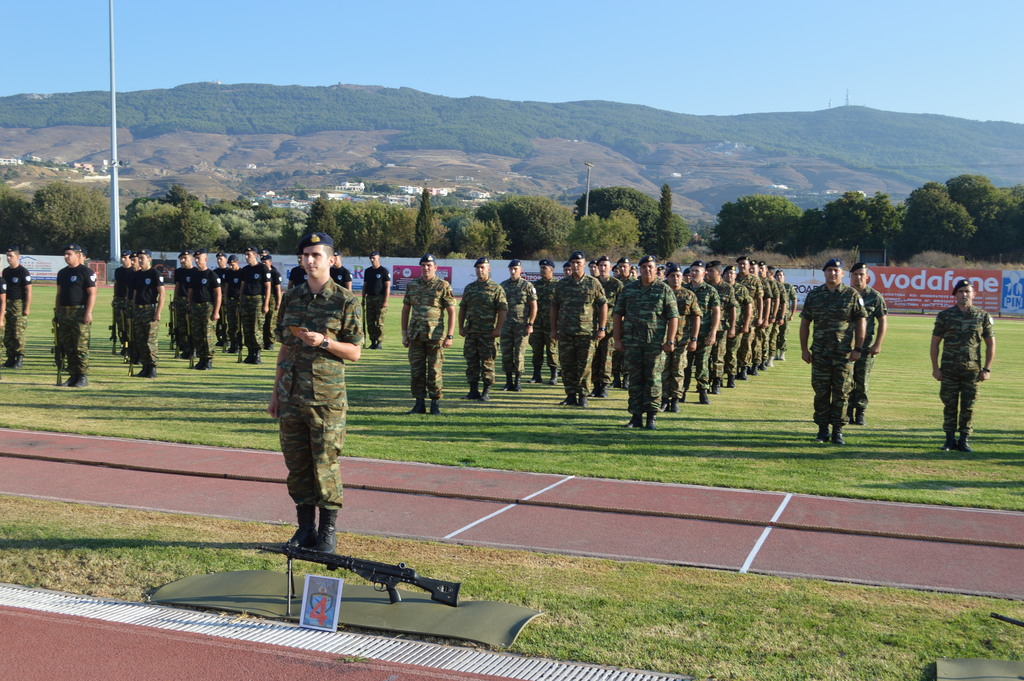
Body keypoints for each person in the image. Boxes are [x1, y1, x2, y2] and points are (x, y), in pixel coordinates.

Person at [268, 232, 362, 554]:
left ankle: (327, 532)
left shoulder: (346, 301)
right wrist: (275, 393)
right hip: (292, 395)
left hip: (326, 400)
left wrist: (324, 342)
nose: (310, 261)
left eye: (317, 255)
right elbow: (284, 348)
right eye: (305, 255)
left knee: (325, 463)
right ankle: (305, 529)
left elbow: (354, 353)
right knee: (297, 466)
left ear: (332, 260)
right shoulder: (291, 297)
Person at [799, 258, 866, 444]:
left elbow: (862, 321)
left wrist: (858, 348)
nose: (833, 273)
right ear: (825, 273)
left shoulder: (851, 295)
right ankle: (822, 430)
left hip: (843, 354)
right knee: (821, 392)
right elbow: (805, 322)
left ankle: (838, 430)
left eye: (836, 270)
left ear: (843, 274)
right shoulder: (815, 295)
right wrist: (804, 349)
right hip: (820, 353)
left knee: (842, 393)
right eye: (829, 270)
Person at [613, 255, 678, 429]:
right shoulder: (629, 289)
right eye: (644, 267)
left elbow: (673, 317)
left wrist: (670, 340)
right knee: (635, 380)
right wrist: (617, 339)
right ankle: (635, 417)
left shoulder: (664, 290)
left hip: (654, 344)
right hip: (632, 342)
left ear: (656, 269)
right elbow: (618, 314)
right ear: (639, 269)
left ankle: (651, 417)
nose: (647, 270)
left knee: (653, 380)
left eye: (650, 267)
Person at [930, 279, 995, 452]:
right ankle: (949, 440)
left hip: (972, 370)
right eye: (960, 292)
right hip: (949, 369)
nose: (964, 294)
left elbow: (991, 344)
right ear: (955, 295)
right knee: (949, 404)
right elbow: (935, 343)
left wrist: (987, 369)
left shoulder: (982, 316)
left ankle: (964, 440)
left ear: (974, 294)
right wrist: (935, 368)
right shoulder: (945, 316)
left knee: (968, 405)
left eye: (967, 291)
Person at [550, 251, 607, 407]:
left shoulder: (593, 283)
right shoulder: (562, 284)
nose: (575, 265)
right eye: (573, 263)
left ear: (584, 264)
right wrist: (553, 329)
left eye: (579, 263)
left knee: (585, 366)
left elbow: (603, 305)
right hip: (566, 332)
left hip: (586, 333)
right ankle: (570, 395)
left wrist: (602, 328)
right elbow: (554, 307)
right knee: (567, 366)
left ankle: (583, 396)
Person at [401, 254, 456, 415]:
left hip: (435, 336)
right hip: (416, 335)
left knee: (434, 370)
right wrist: (404, 334)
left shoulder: (443, 285)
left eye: (429, 265)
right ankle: (419, 404)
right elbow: (406, 310)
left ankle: (435, 404)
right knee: (416, 371)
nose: (426, 268)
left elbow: (451, 311)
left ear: (436, 268)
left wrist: (450, 335)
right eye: (423, 265)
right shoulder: (412, 285)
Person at [459, 258, 507, 402]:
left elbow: (502, 310)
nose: (480, 270)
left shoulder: (496, 288)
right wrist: (461, 327)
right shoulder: (470, 288)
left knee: (487, 362)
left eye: (482, 267)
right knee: (471, 362)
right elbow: (463, 308)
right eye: (478, 267)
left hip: (488, 333)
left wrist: (498, 329)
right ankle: (473, 390)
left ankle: (486, 391)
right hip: (472, 331)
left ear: (489, 269)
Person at [846, 262, 888, 426]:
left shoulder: (875, 297)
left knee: (862, 381)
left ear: (867, 277)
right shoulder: (846, 295)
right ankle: (847, 412)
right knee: (847, 381)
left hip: (866, 346)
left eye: (861, 275)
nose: (858, 277)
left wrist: (878, 344)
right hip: (846, 346)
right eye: (855, 274)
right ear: (851, 276)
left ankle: (860, 412)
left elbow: (883, 322)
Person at [53, 244, 97, 388]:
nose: (66, 257)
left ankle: (82, 376)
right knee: (68, 346)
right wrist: (57, 312)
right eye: (65, 254)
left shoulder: (86, 272)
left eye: (69, 254)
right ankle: (73, 376)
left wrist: (88, 312)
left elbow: (92, 293)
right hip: (65, 313)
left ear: (78, 255)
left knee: (80, 346)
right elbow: (59, 294)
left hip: (79, 312)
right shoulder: (62, 273)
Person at [660, 263, 700, 413]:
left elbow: (696, 317)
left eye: (678, 276)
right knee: (663, 370)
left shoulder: (689, 295)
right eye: (672, 276)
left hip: (681, 339)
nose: (676, 279)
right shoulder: (661, 292)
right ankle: (664, 399)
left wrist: (694, 338)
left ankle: (675, 399)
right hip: (662, 339)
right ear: (667, 277)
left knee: (678, 370)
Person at [683, 260, 721, 405]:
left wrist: (713, 332)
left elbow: (716, 312)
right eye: (692, 270)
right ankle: (682, 391)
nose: (693, 273)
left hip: (704, 333)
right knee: (684, 364)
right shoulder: (684, 289)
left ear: (704, 273)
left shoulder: (710, 290)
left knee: (702, 364)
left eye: (697, 270)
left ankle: (703, 392)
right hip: (686, 333)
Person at [499, 259, 537, 392]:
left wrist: (530, 324)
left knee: (519, 354)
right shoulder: (503, 286)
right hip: (506, 325)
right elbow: (498, 306)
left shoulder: (527, 286)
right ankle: (508, 381)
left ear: (521, 270)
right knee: (506, 354)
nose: (513, 271)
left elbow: (533, 306)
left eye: (516, 269)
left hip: (521, 326)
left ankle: (517, 381)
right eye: (511, 269)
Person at [590, 255, 622, 398]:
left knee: (606, 359)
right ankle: (595, 385)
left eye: (605, 266)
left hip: (609, 328)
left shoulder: (617, 284)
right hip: (591, 326)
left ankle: (604, 386)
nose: (603, 268)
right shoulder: (592, 283)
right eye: (600, 265)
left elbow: (622, 308)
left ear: (610, 267)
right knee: (594, 358)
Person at [131, 249, 166, 378]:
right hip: (139, 310)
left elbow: (162, 294)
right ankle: (145, 367)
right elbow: (135, 293)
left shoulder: (154, 273)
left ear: (149, 259)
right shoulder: (137, 274)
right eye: (139, 258)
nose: (140, 260)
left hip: (149, 310)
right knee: (140, 340)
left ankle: (152, 368)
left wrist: (158, 312)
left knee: (150, 341)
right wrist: (134, 309)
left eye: (142, 258)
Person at [188, 249, 222, 370]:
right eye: (195, 259)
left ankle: (208, 360)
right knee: (197, 334)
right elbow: (191, 293)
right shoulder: (194, 275)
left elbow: (218, 294)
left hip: (207, 307)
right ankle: (201, 358)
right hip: (196, 307)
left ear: (206, 259)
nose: (197, 261)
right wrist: (189, 307)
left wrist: (216, 311)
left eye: (199, 258)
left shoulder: (211, 275)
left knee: (208, 335)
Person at [529, 259, 560, 385]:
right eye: (541, 267)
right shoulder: (534, 285)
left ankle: (554, 375)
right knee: (537, 350)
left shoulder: (558, 285)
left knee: (552, 350)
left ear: (551, 270)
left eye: (544, 268)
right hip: (537, 323)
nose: (542, 270)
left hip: (551, 323)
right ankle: (537, 375)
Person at [239, 246, 271, 364]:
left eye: (249, 255)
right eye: (245, 255)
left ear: (255, 255)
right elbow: (242, 286)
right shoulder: (245, 269)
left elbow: (268, 287)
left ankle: (257, 353)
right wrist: (241, 301)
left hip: (257, 300)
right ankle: (250, 353)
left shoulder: (263, 268)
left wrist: (266, 304)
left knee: (256, 327)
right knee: (247, 328)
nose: (247, 257)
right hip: (246, 300)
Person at [722, 265, 752, 388]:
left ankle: (731, 377)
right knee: (719, 354)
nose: (730, 275)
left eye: (732, 273)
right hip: (721, 326)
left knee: (732, 352)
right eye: (727, 273)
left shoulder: (741, 289)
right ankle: (717, 378)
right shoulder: (720, 288)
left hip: (736, 326)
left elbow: (748, 306)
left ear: (735, 276)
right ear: (723, 275)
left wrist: (746, 324)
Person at [3, 246, 32, 369]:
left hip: (18, 304)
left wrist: (27, 307)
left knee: (17, 332)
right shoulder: (6, 271)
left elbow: (28, 291)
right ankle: (10, 357)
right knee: (8, 332)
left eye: (11, 256)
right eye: (7, 256)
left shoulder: (23, 271)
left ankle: (19, 357)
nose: (9, 258)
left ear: (18, 257)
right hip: (6, 304)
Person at [362, 251, 391, 349]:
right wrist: (363, 298)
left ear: (378, 259)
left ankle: (379, 342)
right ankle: (373, 341)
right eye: (371, 258)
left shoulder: (383, 271)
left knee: (379, 322)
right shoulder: (368, 271)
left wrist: (385, 301)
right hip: (369, 298)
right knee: (370, 322)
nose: (372, 260)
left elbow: (387, 287)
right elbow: (365, 285)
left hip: (380, 298)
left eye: (374, 258)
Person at [172, 250, 196, 359]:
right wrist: (175, 300)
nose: (182, 260)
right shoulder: (178, 272)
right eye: (181, 258)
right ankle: (185, 349)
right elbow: (177, 286)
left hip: (191, 301)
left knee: (192, 327)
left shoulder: (196, 272)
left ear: (191, 259)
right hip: (180, 301)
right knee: (181, 327)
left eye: (184, 258)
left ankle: (193, 349)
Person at [110, 249, 133, 357]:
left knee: (129, 325)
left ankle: (130, 347)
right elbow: (116, 284)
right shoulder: (118, 271)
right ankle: (123, 346)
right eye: (122, 258)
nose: (123, 260)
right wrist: (114, 297)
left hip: (128, 300)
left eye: (125, 258)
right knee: (120, 325)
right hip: (119, 300)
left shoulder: (133, 271)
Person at [261, 252, 283, 352]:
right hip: (263, 298)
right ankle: (263, 341)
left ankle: (270, 342)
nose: (263, 264)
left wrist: (278, 302)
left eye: (265, 262)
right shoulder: (262, 272)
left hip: (272, 299)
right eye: (262, 262)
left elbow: (278, 289)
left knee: (270, 321)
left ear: (270, 262)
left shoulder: (275, 273)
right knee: (262, 321)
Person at [774, 269, 797, 361]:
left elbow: (794, 300)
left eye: (781, 275)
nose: (779, 277)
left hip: (785, 314)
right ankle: (774, 352)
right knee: (774, 334)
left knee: (783, 334)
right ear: (775, 277)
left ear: (784, 276)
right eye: (778, 275)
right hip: (774, 313)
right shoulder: (773, 286)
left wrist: (792, 314)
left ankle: (782, 353)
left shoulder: (788, 286)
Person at [223, 255, 243, 354]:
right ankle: (233, 345)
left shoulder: (242, 272)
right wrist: (225, 299)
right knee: (231, 325)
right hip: (230, 301)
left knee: (239, 325)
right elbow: (226, 287)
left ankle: (239, 345)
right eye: (229, 265)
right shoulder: (228, 273)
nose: (231, 266)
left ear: (237, 262)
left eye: (232, 264)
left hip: (238, 301)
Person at [213, 252, 230, 348]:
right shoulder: (215, 272)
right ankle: (219, 338)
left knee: (226, 320)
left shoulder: (229, 271)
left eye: (221, 259)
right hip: (216, 298)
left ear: (225, 260)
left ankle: (227, 338)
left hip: (226, 297)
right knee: (217, 320)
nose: (219, 261)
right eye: (218, 259)